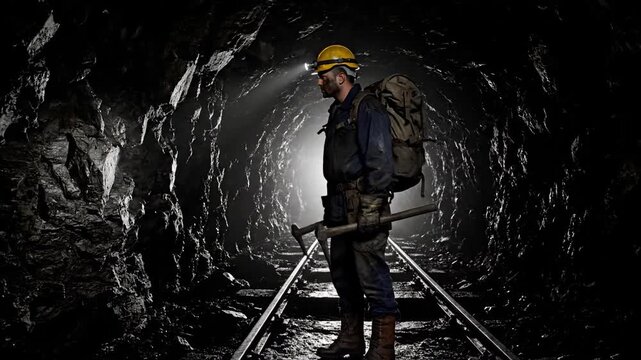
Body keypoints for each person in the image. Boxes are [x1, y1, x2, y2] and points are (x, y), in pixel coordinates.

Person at [308, 44, 398, 360]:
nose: (319, 82)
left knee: (371, 276)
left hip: (364, 205)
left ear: (342, 75)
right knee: (343, 275)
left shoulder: (367, 108)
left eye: (323, 77)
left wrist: (372, 207)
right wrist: (329, 211)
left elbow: (380, 160)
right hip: (339, 207)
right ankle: (350, 340)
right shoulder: (338, 112)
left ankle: (383, 348)